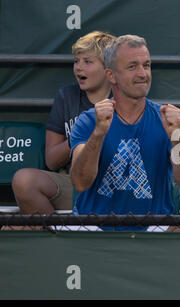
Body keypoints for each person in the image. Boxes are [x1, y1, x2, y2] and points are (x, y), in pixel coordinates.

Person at [69, 35, 180, 223]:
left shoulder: (172, 120)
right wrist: (98, 134)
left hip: (154, 228)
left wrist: (177, 137)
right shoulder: (89, 121)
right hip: (94, 228)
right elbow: (80, 182)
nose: (143, 74)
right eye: (132, 67)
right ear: (111, 75)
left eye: (146, 65)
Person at [12, 31, 115, 215]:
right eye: (76, 61)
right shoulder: (66, 97)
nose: (79, 68)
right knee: (25, 181)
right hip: (74, 183)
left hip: (115, 186)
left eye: (87, 62)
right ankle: (55, 237)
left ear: (108, 69)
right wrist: (81, 135)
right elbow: (51, 161)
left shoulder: (123, 98)